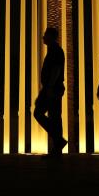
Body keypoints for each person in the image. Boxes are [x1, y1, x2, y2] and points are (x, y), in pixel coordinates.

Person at [34, 27, 67, 158]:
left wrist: (49, 88)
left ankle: (58, 144)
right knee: (53, 117)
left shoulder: (56, 51)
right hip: (51, 88)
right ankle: (58, 144)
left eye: (45, 35)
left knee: (43, 114)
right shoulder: (54, 50)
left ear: (52, 37)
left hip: (52, 88)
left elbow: (56, 70)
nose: (43, 37)